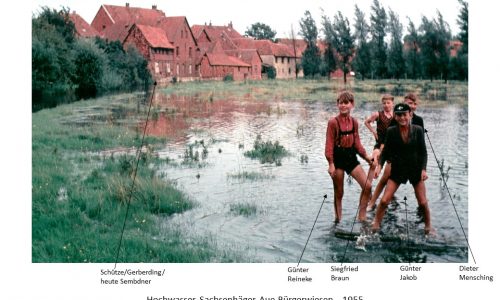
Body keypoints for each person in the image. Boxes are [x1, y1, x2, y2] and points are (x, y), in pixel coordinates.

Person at [371, 103, 434, 234]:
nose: (402, 118)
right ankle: (375, 225)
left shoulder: (418, 130)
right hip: (398, 170)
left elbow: (423, 152)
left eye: (404, 114)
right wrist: (379, 167)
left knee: (422, 202)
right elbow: (385, 153)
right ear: (395, 116)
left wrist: (424, 169)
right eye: (398, 115)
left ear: (410, 114)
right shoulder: (391, 131)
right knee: (384, 201)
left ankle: (428, 227)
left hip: (415, 169)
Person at [368, 92, 425, 211]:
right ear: (404, 103)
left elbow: (421, 146)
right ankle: (372, 202)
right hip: (395, 155)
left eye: (414, 104)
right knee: (385, 178)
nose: (412, 106)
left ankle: (422, 210)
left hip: (411, 158)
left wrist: (422, 166)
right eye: (409, 103)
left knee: (418, 186)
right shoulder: (397, 118)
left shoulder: (419, 120)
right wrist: (380, 148)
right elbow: (388, 136)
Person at [325, 91, 372, 223]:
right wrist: (331, 164)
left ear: (352, 104)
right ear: (337, 104)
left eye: (346, 103)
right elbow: (329, 145)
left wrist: (367, 158)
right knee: (339, 193)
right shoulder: (333, 123)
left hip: (351, 157)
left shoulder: (354, 122)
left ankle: (362, 217)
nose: (343, 106)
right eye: (341, 103)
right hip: (338, 158)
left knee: (367, 186)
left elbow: (357, 144)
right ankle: (338, 220)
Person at [364, 94, 394, 211]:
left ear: (392, 103)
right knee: (374, 161)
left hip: (391, 146)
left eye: (388, 103)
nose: (386, 105)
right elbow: (366, 122)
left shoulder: (396, 116)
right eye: (384, 103)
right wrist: (373, 132)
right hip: (379, 144)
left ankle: (390, 193)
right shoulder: (378, 114)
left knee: (389, 173)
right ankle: (368, 187)